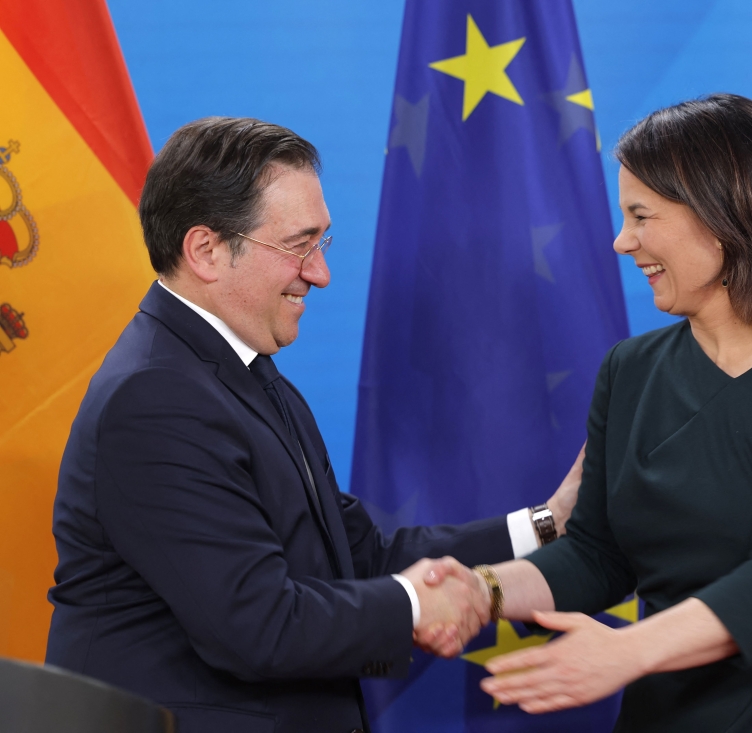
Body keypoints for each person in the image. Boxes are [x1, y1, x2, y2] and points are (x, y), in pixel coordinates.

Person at [45, 117, 580, 733]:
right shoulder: (156, 398)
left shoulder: (245, 374)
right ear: (206, 250)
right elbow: (258, 625)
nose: (320, 272)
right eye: (298, 245)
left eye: (322, 242)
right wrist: (418, 603)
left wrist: (549, 522)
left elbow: (358, 557)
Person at [469, 95, 752, 731]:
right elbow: (597, 555)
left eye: (641, 215)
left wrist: (627, 651)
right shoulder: (629, 370)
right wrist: (481, 591)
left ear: (723, 214)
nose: (621, 241)